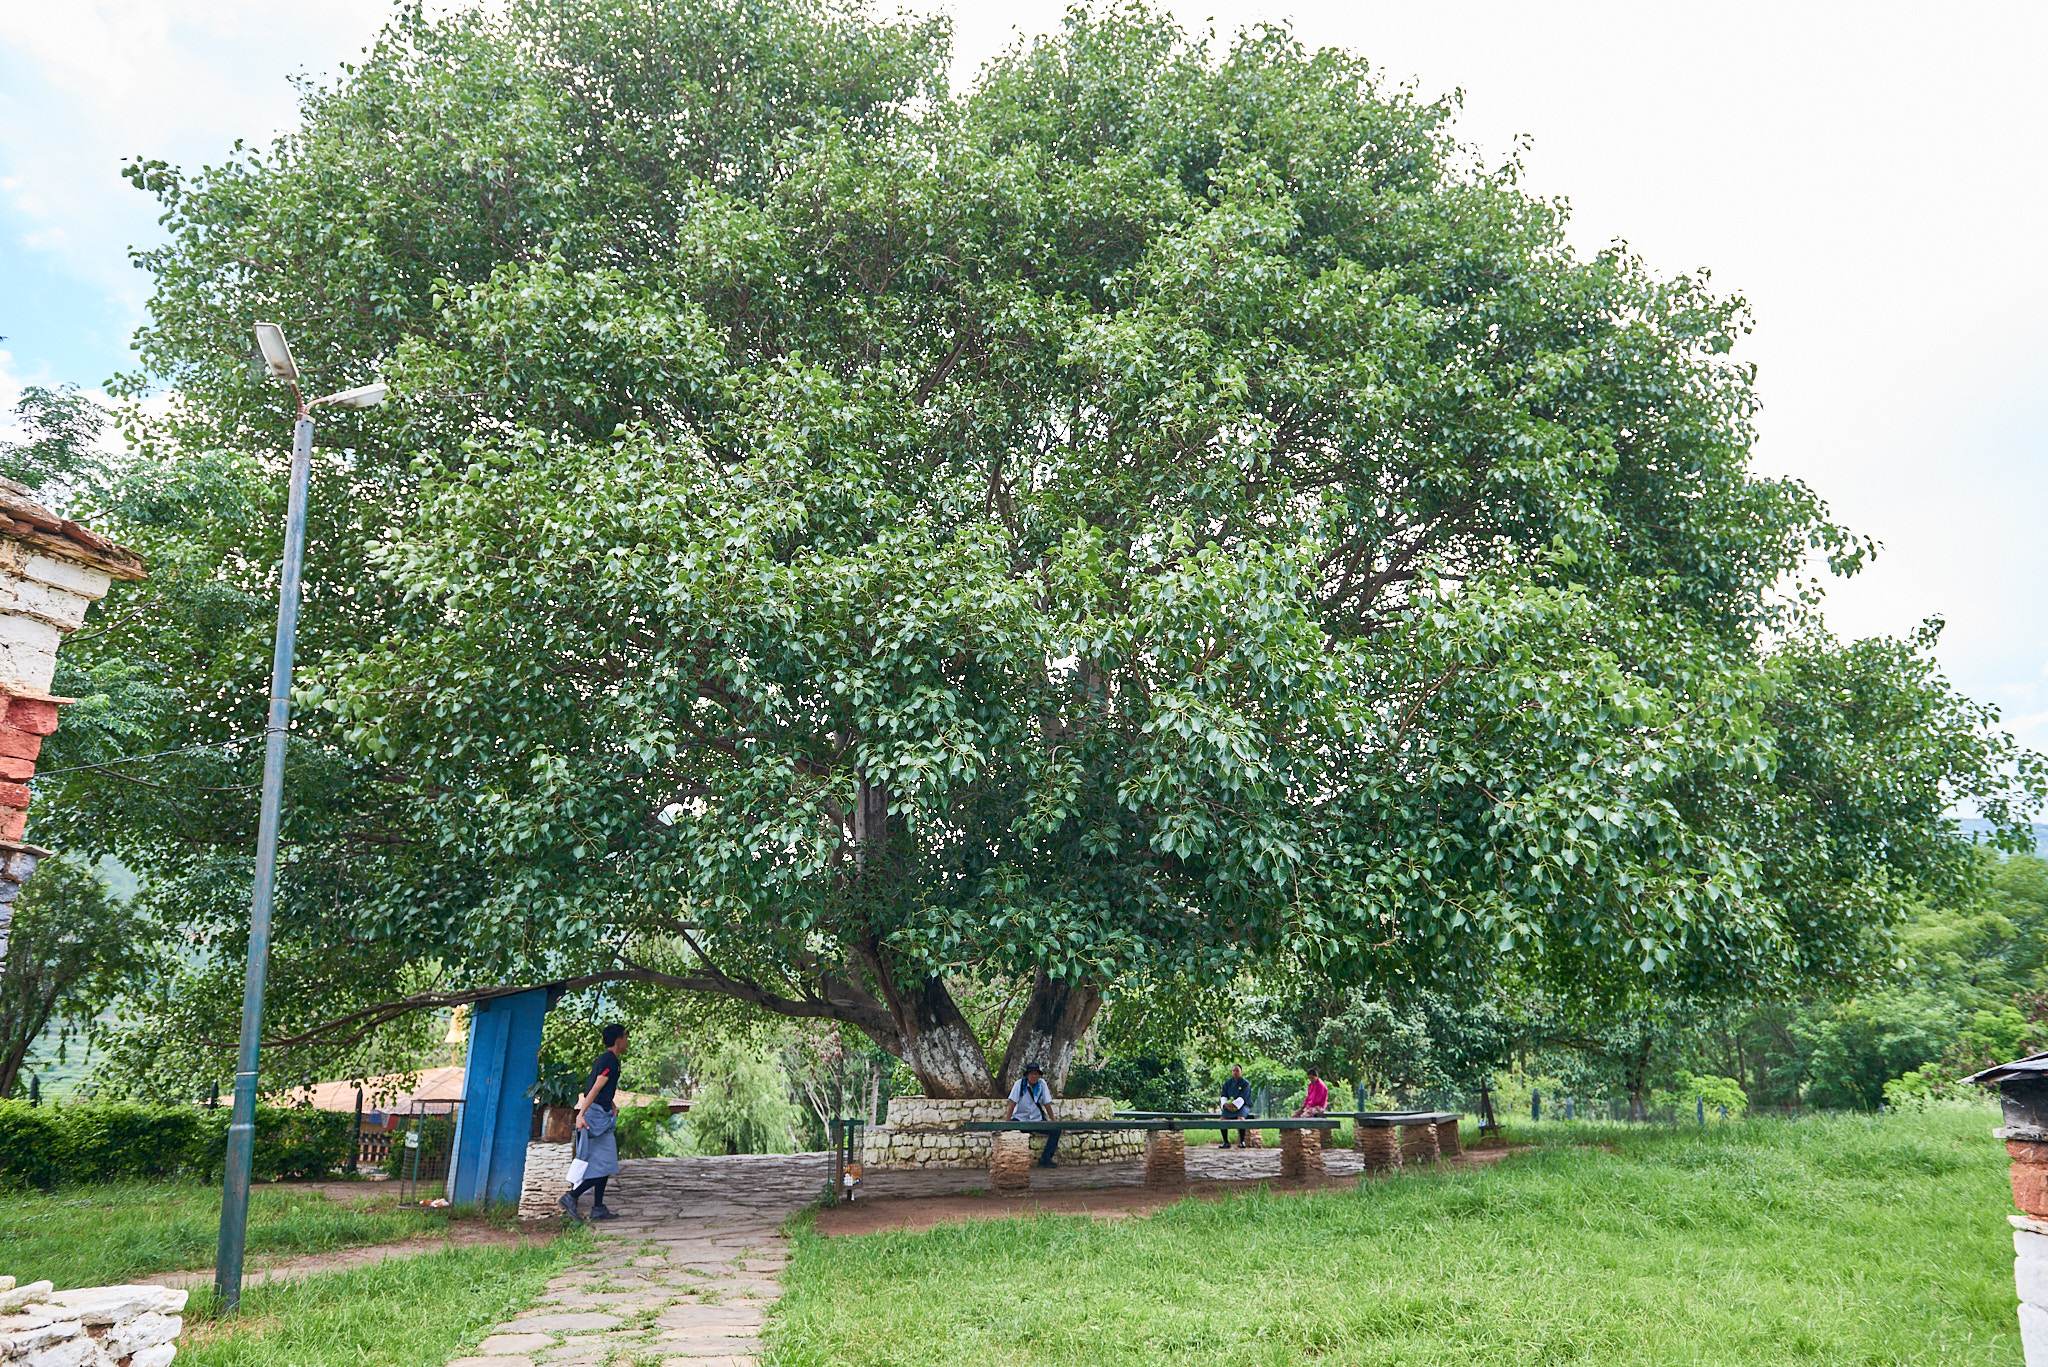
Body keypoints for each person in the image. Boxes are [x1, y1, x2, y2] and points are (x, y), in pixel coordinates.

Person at [559, 1023, 629, 1221]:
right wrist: (581, 1115)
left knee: (603, 1165)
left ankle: (598, 1208)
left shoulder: (607, 1059)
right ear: (618, 1040)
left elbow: (600, 1088)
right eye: (625, 1036)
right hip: (595, 1119)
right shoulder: (610, 1061)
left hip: (601, 1115)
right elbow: (595, 1089)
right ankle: (571, 1197)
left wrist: (612, 1104)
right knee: (606, 1165)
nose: (627, 1041)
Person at [1006, 1062, 1061, 1168]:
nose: (1034, 1076)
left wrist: (1054, 1122)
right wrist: (1006, 1124)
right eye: (1032, 1074)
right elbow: (1012, 1105)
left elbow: (1047, 1104)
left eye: (1036, 1074)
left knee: (1056, 1130)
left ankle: (1046, 1158)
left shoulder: (1042, 1084)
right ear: (1027, 1075)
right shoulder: (1019, 1084)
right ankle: (1013, 1161)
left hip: (1037, 1120)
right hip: (1020, 1120)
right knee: (1010, 1133)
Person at [1219, 1064, 1253, 1148]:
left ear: (1241, 1072)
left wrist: (1234, 1104)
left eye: (1237, 1071)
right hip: (1229, 1106)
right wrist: (1225, 1104)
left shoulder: (1245, 1084)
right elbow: (1223, 1095)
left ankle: (1242, 1141)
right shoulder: (1227, 1083)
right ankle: (1226, 1142)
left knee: (1241, 1119)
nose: (1235, 1072)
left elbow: (1243, 1097)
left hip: (1243, 1105)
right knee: (1222, 1119)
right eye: (1234, 1070)